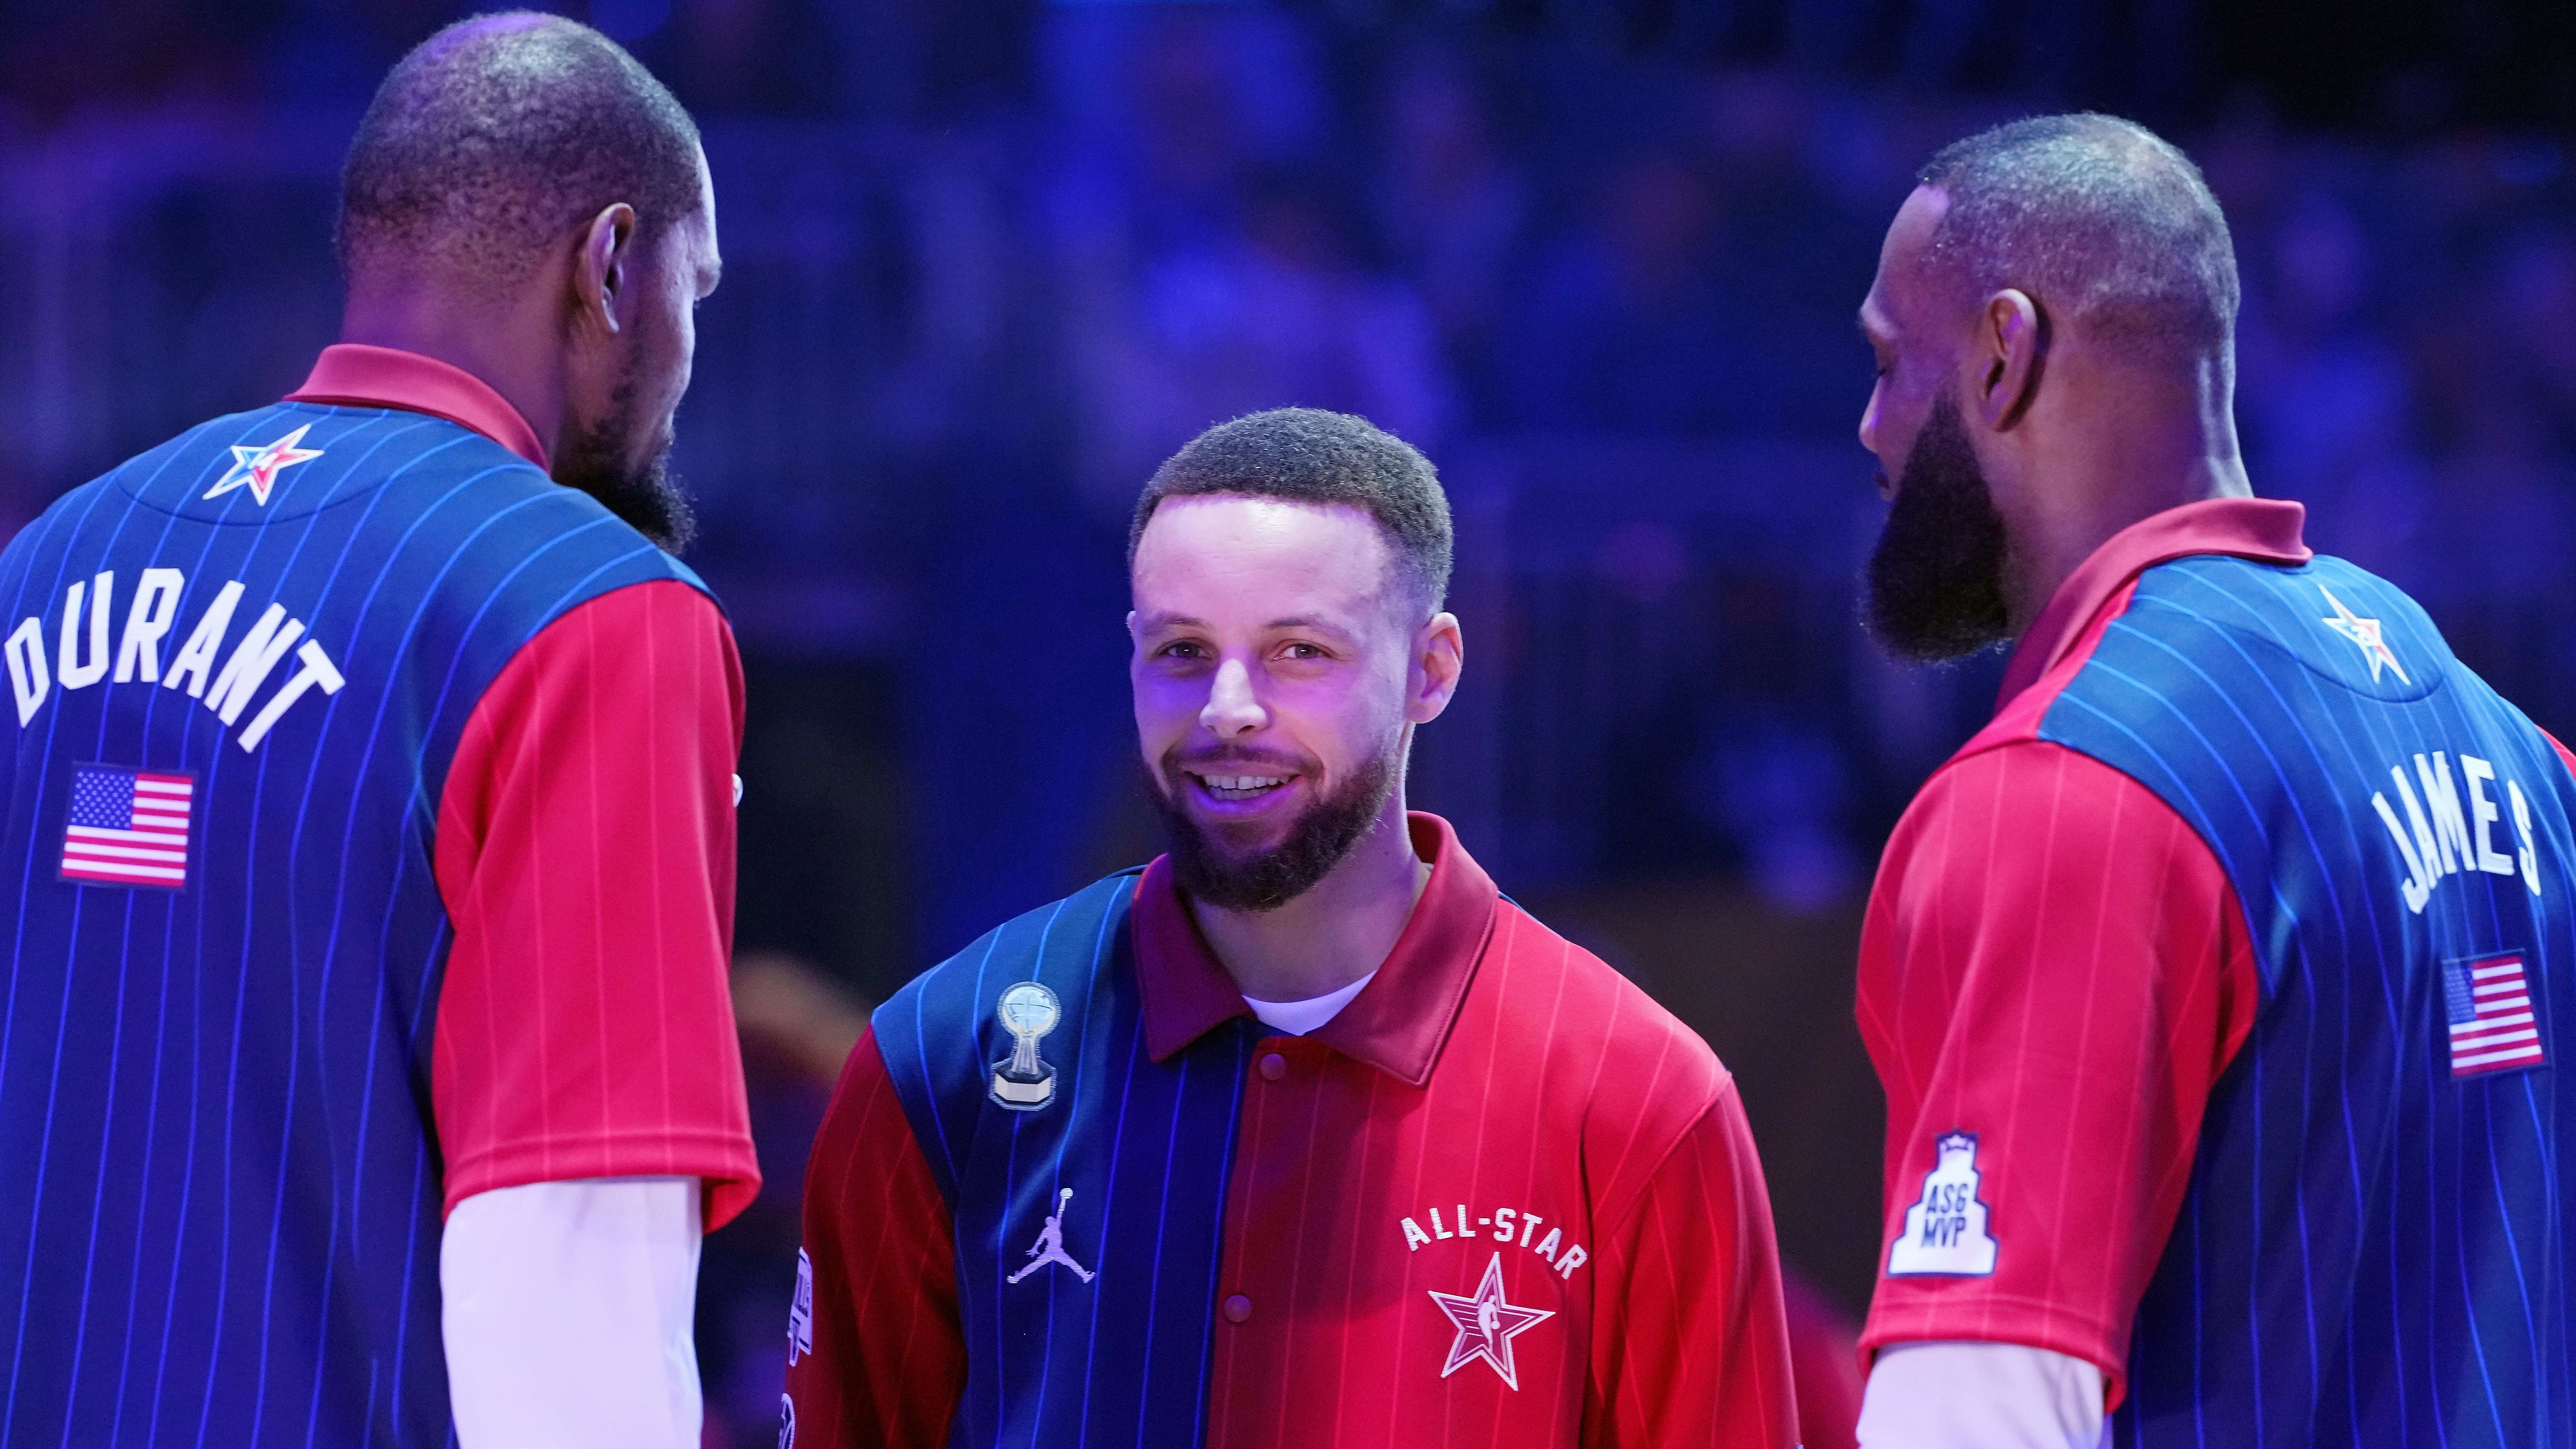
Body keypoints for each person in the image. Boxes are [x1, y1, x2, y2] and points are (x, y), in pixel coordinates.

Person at [0, 16, 757, 1447]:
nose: (685, 354)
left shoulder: (44, 568)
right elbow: (570, 1271)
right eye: (692, 288)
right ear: (609, 266)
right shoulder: (591, 614)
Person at [786, 408, 1797, 1447]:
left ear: (1431, 668)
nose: (1227, 708)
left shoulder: (1635, 1097)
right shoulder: (942, 1059)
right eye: (1181, 650)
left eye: (1297, 653)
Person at [1847, 113, 2576, 1448]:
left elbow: (1982, 1407)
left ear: (2003, 355)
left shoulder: (2063, 792)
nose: (1869, 426)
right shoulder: (2503, 743)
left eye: (1893, 365)